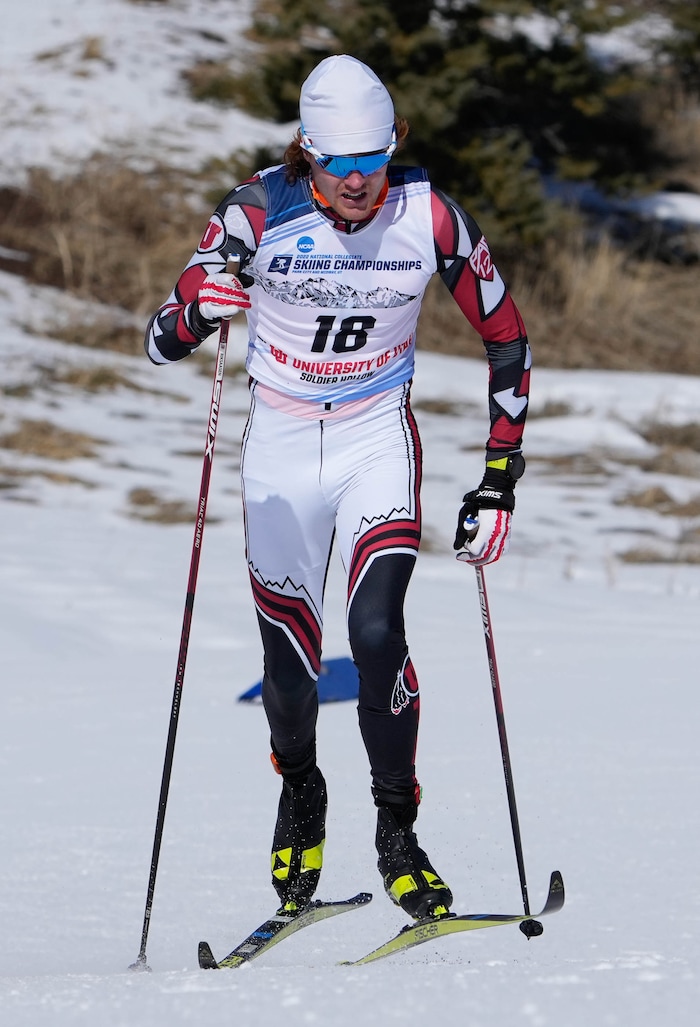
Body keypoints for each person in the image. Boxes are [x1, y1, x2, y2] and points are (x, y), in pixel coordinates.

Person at [145, 55, 530, 921]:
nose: (360, 183)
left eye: (376, 160)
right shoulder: (255, 212)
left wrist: (499, 475)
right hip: (280, 446)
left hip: (373, 437)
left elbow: (509, 341)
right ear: (306, 154)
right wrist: (198, 307)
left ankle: (399, 830)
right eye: (339, 164)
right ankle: (302, 789)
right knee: (289, 665)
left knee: (378, 629)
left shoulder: (428, 215)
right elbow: (159, 340)